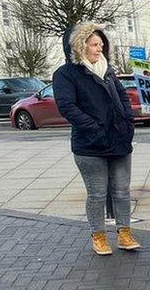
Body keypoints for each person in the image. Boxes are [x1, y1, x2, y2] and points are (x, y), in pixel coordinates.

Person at [53, 22, 141, 255]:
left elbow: (123, 99)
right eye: (94, 45)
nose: (98, 49)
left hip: (119, 141)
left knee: (122, 191)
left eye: (101, 45)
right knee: (97, 193)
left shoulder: (108, 71)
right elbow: (67, 107)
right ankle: (99, 235)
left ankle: (125, 232)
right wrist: (94, 128)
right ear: (81, 46)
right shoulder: (66, 74)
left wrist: (128, 123)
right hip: (90, 146)